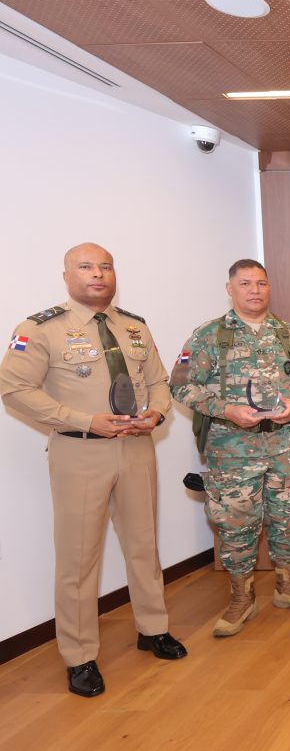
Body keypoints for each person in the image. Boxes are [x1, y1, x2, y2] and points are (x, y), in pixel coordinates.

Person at [0, 243, 187, 697]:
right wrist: (84, 420)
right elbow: (13, 388)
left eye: (106, 266)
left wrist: (157, 413)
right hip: (80, 453)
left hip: (136, 448)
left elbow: (160, 382)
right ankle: (79, 655)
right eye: (86, 267)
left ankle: (153, 628)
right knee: (79, 559)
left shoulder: (134, 326)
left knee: (144, 546)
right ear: (67, 276)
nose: (98, 274)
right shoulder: (40, 328)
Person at [171, 259, 290, 636]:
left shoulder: (289, 334)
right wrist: (227, 410)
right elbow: (181, 386)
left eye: (261, 283)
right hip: (232, 450)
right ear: (230, 289)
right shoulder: (209, 336)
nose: (255, 290)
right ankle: (242, 596)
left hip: (285, 447)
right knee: (235, 523)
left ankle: (287, 585)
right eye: (245, 283)